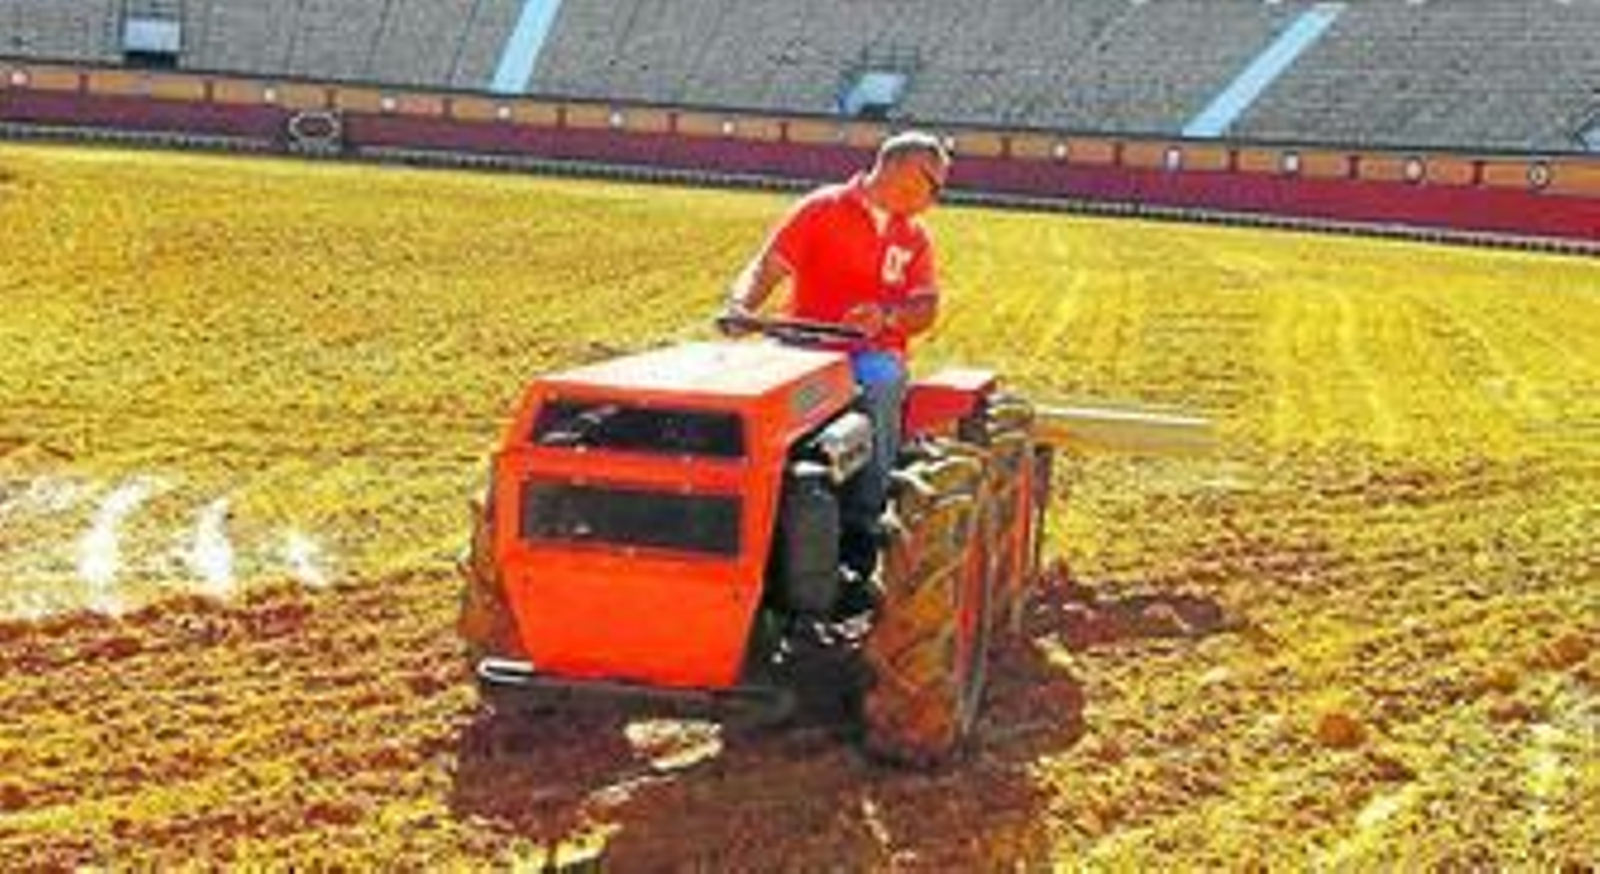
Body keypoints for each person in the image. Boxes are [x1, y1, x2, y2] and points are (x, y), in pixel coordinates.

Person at [719, 130, 951, 590]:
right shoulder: (822, 208)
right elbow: (767, 266)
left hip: (870, 353)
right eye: (936, 185)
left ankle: (864, 523)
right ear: (903, 170)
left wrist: (886, 316)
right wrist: (741, 306)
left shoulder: (914, 237)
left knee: (881, 382)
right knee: (750, 395)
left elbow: (925, 308)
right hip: (803, 347)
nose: (936, 199)